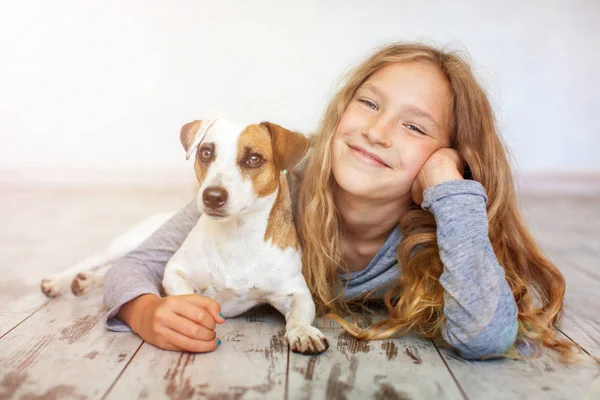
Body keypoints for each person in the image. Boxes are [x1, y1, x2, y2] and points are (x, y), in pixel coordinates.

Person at [103, 42, 574, 360]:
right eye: (369, 104)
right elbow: (139, 262)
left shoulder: (434, 238)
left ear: (447, 155)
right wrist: (144, 310)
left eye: (414, 126)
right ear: (341, 109)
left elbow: (486, 336)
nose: (376, 130)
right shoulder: (271, 189)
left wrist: (448, 186)